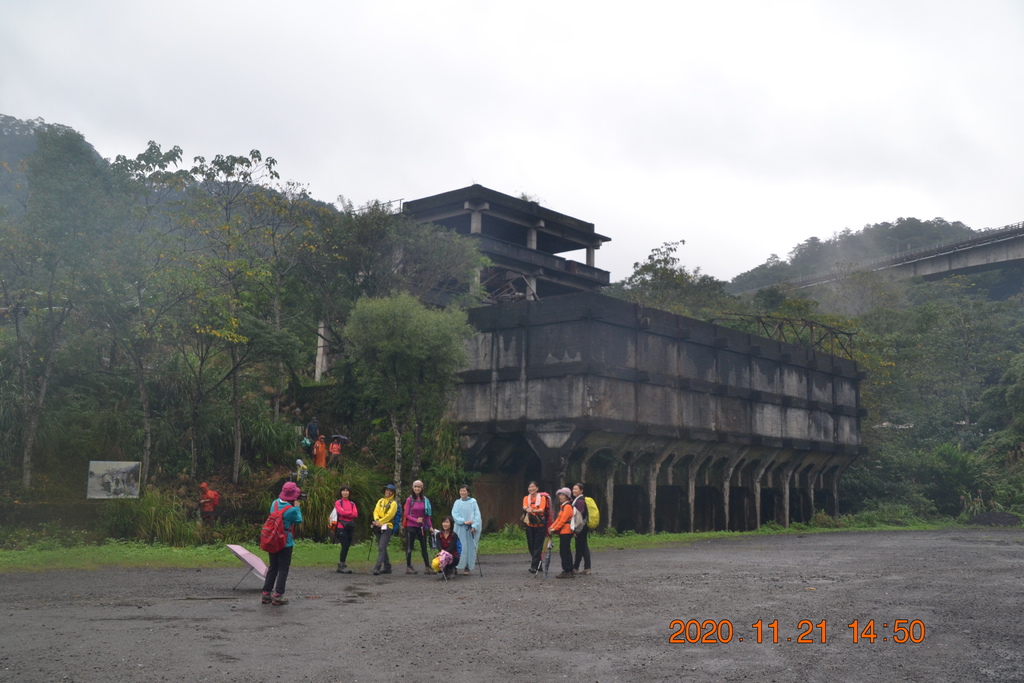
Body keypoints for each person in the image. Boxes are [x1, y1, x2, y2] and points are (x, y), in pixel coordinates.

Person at [262, 481, 303, 605]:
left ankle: (266, 593)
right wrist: (297, 507)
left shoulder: (274, 503)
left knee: (272, 567)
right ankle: (278, 595)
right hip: (285, 541)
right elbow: (298, 520)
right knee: (283, 569)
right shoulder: (291, 510)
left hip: (273, 539)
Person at [403, 479, 433, 574]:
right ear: (412, 488)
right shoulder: (409, 500)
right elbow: (406, 514)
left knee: (424, 546)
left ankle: (427, 566)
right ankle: (409, 566)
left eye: (419, 486)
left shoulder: (425, 500)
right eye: (415, 486)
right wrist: (416, 520)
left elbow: (427, 515)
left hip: (422, 526)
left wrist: (430, 526)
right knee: (409, 547)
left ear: (422, 488)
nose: (417, 488)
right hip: (411, 526)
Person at [451, 484, 482, 575]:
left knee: (469, 547)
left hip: (469, 529)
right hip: (459, 528)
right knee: (458, 546)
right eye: (461, 491)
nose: (462, 492)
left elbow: (477, 515)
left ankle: (467, 566)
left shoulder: (473, 502)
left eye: (464, 491)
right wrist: (463, 521)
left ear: (468, 492)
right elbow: (454, 514)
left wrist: (474, 526)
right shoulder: (457, 502)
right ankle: (455, 565)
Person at [371, 484, 399, 576]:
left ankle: (377, 568)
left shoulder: (394, 503)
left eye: (390, 491)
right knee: (381, 546)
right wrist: (376, 520)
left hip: (388, 526)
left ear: (393, 493)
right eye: (387, 490)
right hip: (378, 525)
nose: (388, 492)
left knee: (381, 547)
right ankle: (387, 567)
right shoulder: (380, 501)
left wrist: (381, 521)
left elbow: (390, 515)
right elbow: (376, 511)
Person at [521, 481, 549, 573]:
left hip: (540, 525)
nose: (531, 489)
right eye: (529, 487)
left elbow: (542, 509)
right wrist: (528, 509)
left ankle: (534, 566)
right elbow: (524, 506)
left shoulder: (542, 498)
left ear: (537, 488)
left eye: (533, 487)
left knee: (538, 545)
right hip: (529, 524)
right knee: (531, 545)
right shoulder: (526, 498)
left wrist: (532, 510)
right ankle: (539, 564)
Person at [329, 485, 358, 573]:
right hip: (341, 527)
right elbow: (340, 512)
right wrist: (349, 513)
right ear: (341, 492)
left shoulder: (352, 503)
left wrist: (346, 513)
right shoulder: (338, 502)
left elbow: (355, 514)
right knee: (344, 545)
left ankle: (342, 563)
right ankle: (341, 565)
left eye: (347, 491)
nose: (345, 492)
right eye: (343, 491)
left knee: (347, 545)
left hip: (350, 526)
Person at [548, 487, 575, 579]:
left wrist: (554, 529)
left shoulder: (567, 507)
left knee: (564, 551)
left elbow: (563, 521)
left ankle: (567, 570)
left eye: (563, 495)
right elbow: (558, 519)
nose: (561, 497)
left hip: (566, 531)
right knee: (566, 550)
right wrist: (552, 527)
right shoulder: (563, 506)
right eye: (560, 495)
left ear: (567, 497)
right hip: (564, 531)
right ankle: (570, 569)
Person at [571, 482, 592, 576]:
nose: (574, 490)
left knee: (581, 547)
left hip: (581, 527)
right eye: (573, 489)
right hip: (583, 526)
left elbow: (579, 516)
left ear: (581, 490)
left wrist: (575, 529)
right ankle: (580, 567)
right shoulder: (578, 500)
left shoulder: (579, 501)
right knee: (582, 547)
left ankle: (581, 568)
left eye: (576, 489)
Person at [435, 515, 462, 579]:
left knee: (447, 557)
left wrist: (443, 553)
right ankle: (444, 570)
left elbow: (451, 547)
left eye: (447, 522)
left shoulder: (454, 535)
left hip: (453, 556)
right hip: (442, 554)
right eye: (444, 522)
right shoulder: (438, 534)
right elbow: (438, 544)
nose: (445, 524)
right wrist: (441, 552)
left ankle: (451, 569)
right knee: (435, 562)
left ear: (451, 524)